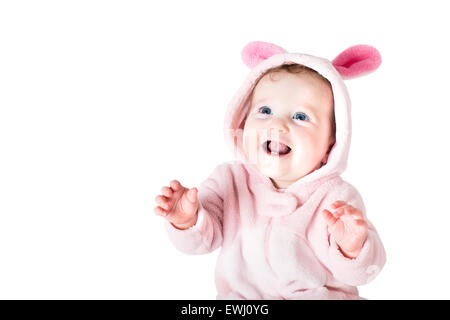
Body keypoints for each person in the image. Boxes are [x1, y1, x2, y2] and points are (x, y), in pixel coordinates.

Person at [154, 41, 386, 299]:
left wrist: (353, 247)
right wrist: (188, 220)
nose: (278, 124)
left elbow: (363, 273)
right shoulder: (229, 180)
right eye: (265, 111)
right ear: (242, 122)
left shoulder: (335, 197)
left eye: (301, 116)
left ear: (331, 144)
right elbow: (200, 242)